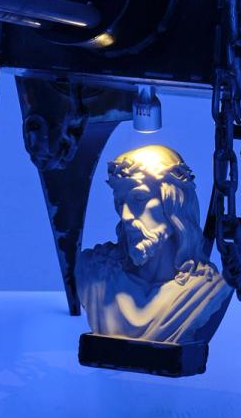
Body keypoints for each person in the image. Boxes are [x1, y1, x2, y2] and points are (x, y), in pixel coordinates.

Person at [77, 144, 231, 345]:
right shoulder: (95, 272)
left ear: (174, 204)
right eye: (120, 202)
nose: (126, 216)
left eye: (139, 198)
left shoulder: (204, 290)